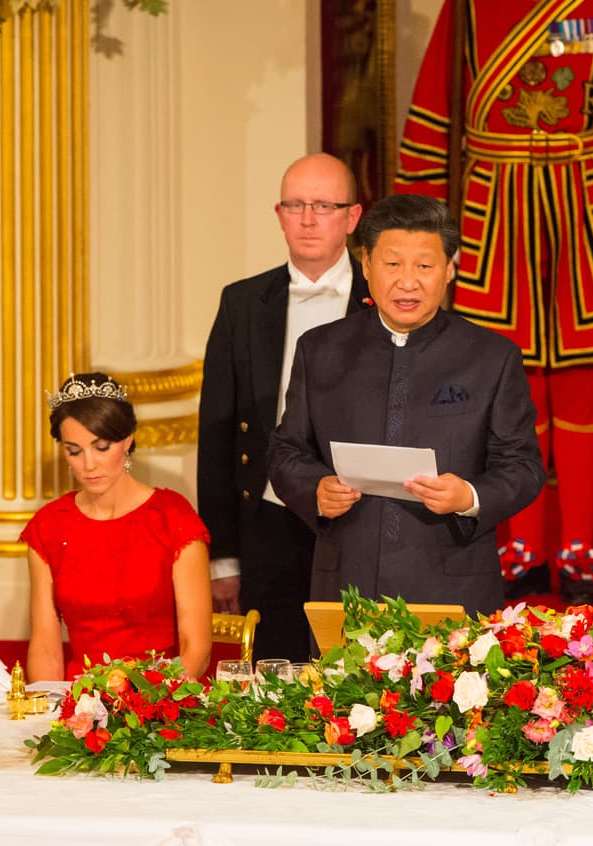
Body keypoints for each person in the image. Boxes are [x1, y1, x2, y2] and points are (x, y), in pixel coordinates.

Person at [394, 0, 593, 603]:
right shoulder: (470, 7)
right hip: (496, 208)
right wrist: (420, 224)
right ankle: (522, 546)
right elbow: (433, 106)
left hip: (592, 207)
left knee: (589, 382)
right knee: (509, 383)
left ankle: (578, 547)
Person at [267, 194, 544, 616]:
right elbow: (287, 451)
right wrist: (316, 490)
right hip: (345, 584)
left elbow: (523, 466)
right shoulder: (320, 349)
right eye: (393, 264)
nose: (408, 281)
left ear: (450, 269)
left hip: (453, 584)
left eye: (425, 266)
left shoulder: (491, 357)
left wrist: (468, 495)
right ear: (366, 264)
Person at [198, 153, 368, 662]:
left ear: (353, 217)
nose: (308, 219)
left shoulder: (384, 300)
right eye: (295, 204)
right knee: (275, 678)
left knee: (354, 676)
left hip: (359, 520)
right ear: (278, 213)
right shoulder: (243, 303)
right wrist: (223, 557)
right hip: (267, 522)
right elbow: (218, 433)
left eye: (323, 205)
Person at [23, 373, 212, 681]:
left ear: (127, 441)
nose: (89, 464)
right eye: (74, 450)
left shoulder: (171, 518)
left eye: (101, 447)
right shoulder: (49, 525)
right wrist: (48, 714)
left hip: (163, 702)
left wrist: (154, 706)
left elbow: (197, 647)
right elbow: (46, 647)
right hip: (78, 708)